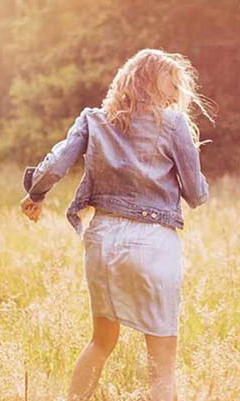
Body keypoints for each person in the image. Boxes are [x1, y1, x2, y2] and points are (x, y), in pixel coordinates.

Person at [19, 48, 211, 401]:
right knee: (162, 362)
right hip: (153, 242)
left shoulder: (93, 119)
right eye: (171, 87)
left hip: (103, 237)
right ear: (154, 85)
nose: (174, 95)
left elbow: (55, 164)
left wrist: (36, 194)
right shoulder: (173, 124)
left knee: (101, 341)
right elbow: (196, 195)